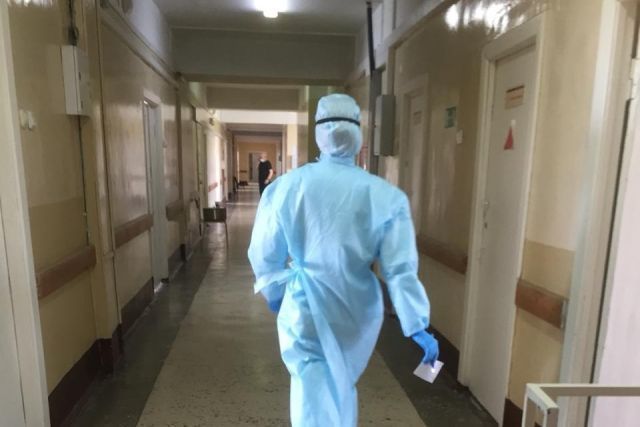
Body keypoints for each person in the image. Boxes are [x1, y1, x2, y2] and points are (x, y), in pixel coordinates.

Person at [248, 94, 438, 427]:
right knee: (340, 388)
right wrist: (416, 323)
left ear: (318, 132)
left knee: (310, 394)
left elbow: (264, 254)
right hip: (356, 312)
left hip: (305, 307)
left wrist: (274, 294)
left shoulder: (287, 187)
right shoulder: (386, 196)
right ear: (358, 135)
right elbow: (400, 270)